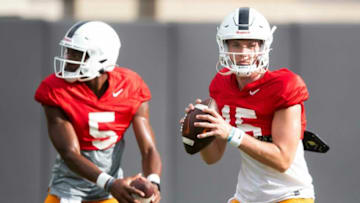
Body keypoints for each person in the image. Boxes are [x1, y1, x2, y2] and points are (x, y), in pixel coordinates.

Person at [183, 7, 315, 203]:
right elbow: (213, 157)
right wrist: (202, 130)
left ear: (263, 46)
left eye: (251, 45)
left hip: (289, 195)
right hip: (247, 196)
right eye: (236, 44)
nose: (243, 53)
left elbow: (283, 159)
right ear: (224, 45)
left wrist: (231, 133)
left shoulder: (284, 85)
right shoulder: (221, 85)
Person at [35, 21, 162, 203]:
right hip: (69, 190)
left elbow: (149, 149)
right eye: (68, 51)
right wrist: (110, 183)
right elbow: (69, 153)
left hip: (109, 192)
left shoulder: (130, 87)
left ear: (101, 58)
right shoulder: (55, 90)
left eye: (76, 53)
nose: (68, 57)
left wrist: (154, 182)